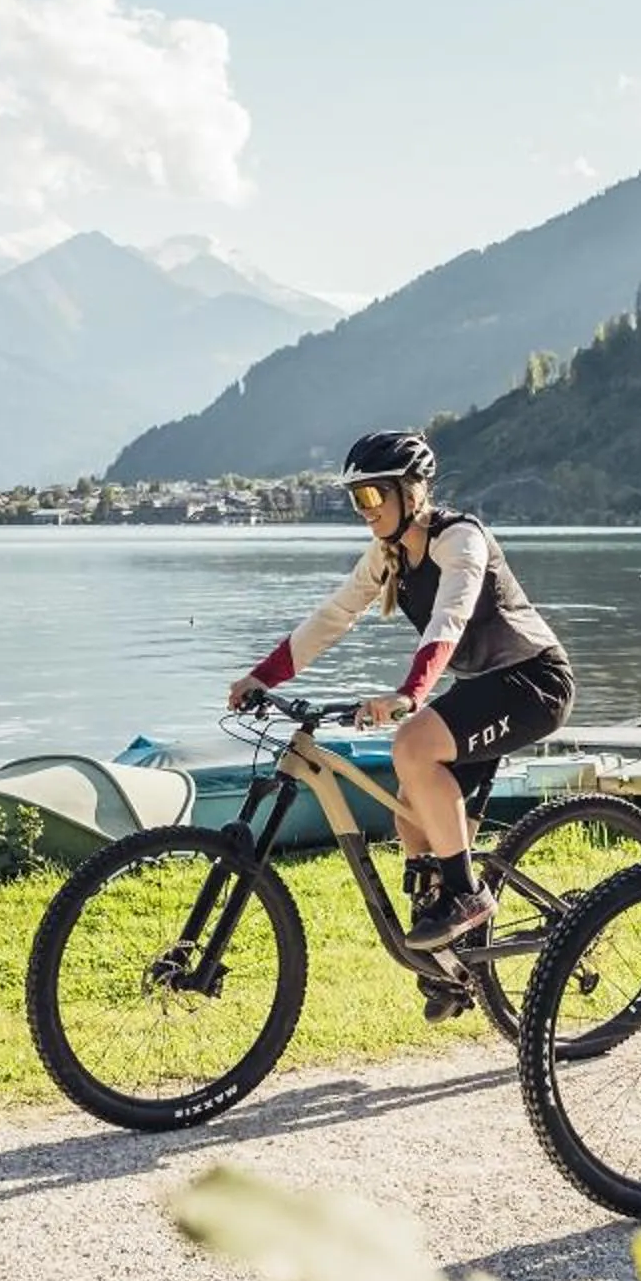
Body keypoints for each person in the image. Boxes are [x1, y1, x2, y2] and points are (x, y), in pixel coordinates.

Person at [227, 430, 577, 1017]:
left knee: (411, 746)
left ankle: (465, 896)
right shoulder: (387, 556)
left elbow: (451, 618)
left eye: (373, 498)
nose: (366, 513)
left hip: (533, 682)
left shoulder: (460, 540)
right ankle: (449, 964)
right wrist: (263, 677)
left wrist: (410, 694)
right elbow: (332, 617)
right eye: (356, 501)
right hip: (484, 688)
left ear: (412, 492)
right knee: (410, 812)